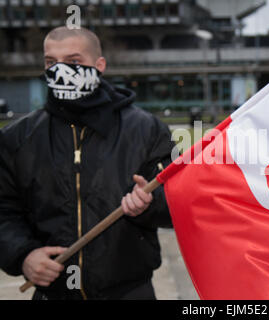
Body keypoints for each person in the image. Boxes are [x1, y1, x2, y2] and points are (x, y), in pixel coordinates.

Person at [0, 26, 175, 300]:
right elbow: (4, 210)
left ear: (99, 65)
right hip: (53, 294)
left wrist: (149, 206)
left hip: (131, 292)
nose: (60, 71)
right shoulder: (17, 138)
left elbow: (179, 204)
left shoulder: (146, 130)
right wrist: (23, 255)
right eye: (50, 62)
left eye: (74, 62)